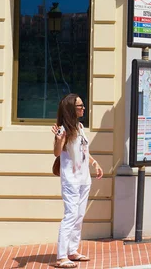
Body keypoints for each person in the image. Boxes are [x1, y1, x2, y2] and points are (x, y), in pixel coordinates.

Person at [52, 93, 103, 268]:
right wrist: (58, 140)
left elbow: (83, 151)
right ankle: (61, 257)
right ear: (70, 110)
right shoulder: (63, 130)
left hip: (83, 179)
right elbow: (57, 153)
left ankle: (72, 251)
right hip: (71, 180)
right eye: (80, 106)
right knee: (70, 215)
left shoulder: (80, 127)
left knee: (79, 216)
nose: (83, 108)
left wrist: (94, 163)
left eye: (82, 105)